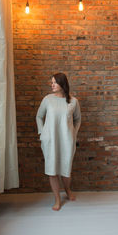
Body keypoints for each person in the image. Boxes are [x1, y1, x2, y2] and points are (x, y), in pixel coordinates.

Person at [36, 73, 81, 211]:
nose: (52, 85)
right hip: (50, 140)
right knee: (52, 170)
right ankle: (57, 199)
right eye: (52, 82)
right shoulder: (47, 100)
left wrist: (74, 133)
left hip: (67, 140)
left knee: (66, 169)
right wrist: (42, 133)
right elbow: (39, 116)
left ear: (63, 84)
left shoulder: (73, 101)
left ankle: (67, 189)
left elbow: (77, 119)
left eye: (55, 82)